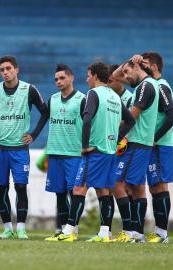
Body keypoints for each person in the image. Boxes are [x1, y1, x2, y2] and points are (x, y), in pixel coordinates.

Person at [59, 62, 135, 242]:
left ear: (94, 75)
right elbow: (131, 120)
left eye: (88, 75)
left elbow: (86, 120)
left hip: (95, 150)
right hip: (110, 151)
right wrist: (116, 138)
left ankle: (69, 232)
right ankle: (104, 233)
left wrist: (85, 146)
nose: (86, 79)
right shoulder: (115, 96)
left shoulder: (93, 93)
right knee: (103, 191)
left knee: (79, 188)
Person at [0, 55, 48, 239]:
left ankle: (21, 228)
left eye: (8, 69)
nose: (5, 72)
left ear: (16, 70)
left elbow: (45, 112)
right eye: (2, 70)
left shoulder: (29, 90)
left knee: (21, 186)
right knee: (2, 188)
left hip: (20, 150)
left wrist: (34, 135)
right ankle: (7, 228)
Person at [112, 57, 159, 243]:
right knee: (137, 187)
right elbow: (113, 75)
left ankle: (131, 231)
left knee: (115, 180)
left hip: (137, 142)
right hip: (140, 143)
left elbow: (131, 119)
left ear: (137, 67)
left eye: (127, 72)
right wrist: (127, 62)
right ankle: (137, 234)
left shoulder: (146, 87)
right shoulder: (144, 85)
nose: (124, 77)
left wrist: (113, 139)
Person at [42, 64, 86, 241]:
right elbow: (44, 119)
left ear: (71, 77)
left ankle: (72, 227)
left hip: (74, 154)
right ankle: (62, 228)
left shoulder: (82, 99)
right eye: (56, 79)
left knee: (74, 192)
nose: (58, 82)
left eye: (62, 78)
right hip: (55, 152)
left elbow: (88, 125)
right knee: (59, 193)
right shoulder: (52, 99)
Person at [139, 52, 173, 243]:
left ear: (153, 67)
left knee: (161, 186)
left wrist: (154, 138)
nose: (142, 66)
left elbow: (172, 116)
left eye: (145, 63)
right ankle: (158, 232)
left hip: (160, 144)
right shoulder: (152, 86)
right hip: (154, 145)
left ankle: (163, 234)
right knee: (155, 187)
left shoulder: (162, 86)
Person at [107, 64, 134, 241]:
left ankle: (131, 230)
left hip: (128, 146)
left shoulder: (130, 99)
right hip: (112, 147)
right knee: (110, 187)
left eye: (110, 81)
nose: (108, 84)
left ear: (119, 80)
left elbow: (131, 122)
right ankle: (107, 230)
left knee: (125, 186)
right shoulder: (108, 97)